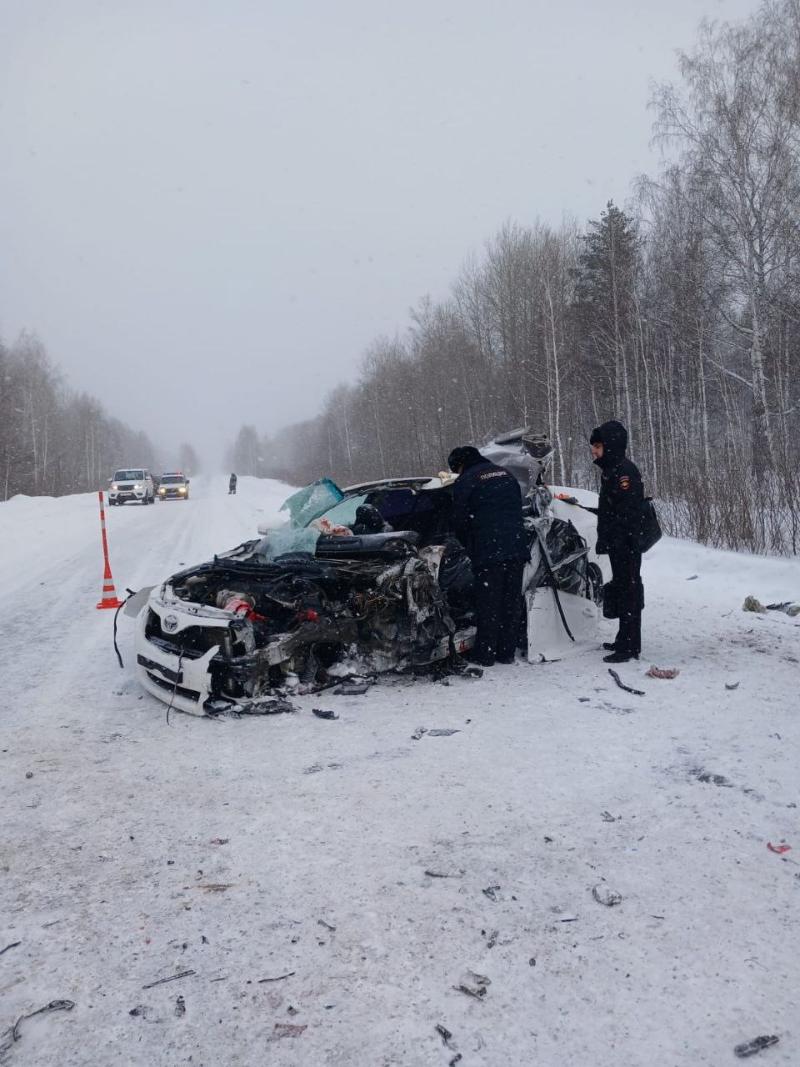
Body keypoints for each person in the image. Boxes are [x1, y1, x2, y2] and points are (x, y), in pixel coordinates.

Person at [559, 420, 644, 663]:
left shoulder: (624, 472)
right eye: (593, 446)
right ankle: (624, 640)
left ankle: (629, 648)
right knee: (622, 589)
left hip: (626, 545)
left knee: (629, 592)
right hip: (619, 544)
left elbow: (627, 512)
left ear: (611, 445)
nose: (593, 451)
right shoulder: (612, 470)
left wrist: (617, 538)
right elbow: (611, 509)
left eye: (597, 446)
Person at [448, 445, 528, 667]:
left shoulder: (466, 481)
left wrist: (470, 546)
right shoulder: (506, 474)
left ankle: (486, 655)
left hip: (489, 551)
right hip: (516, 549)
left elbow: (459, 521)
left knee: (488, 605)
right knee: (510, 603)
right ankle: (506, 652)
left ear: (460, 465)